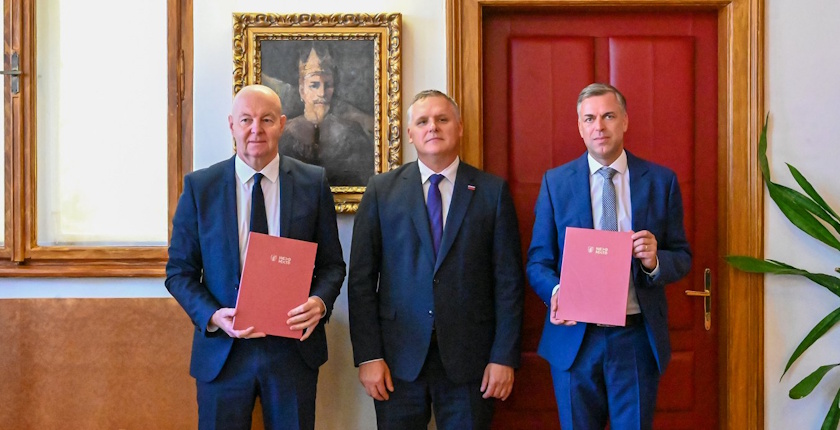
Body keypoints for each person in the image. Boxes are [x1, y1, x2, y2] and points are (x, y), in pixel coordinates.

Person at [166, 84, 346, 430]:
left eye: (266, 120)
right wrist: (213, 316)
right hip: (223, 351)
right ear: (231, 125)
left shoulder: (312, 183)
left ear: (282, 124)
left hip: (293, 351)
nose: (255, 130)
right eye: (246, 120)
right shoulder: (201, 188)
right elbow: (179, 272)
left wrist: (320, 302)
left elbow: (332, 265)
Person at [348, 89, 525, 430]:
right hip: (397, 360)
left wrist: (504, 356)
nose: (433, 127)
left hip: (471, 362)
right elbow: (361, 281)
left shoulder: (492, 192)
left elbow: (509, 283)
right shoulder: (382, 191)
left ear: (459, 128)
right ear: (410, 133)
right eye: (423, 121)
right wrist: (369, 356)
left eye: (442, 119)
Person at [526, 83, 692, 429]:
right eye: (589, 118)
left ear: (625, 121)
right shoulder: (556, 183)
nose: (599, 126)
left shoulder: (661, 181)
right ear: (580, 127)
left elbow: (682, 256)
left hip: (635, 339)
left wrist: (655, 261)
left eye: (608, 116)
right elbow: (538, 261)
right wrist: (557, 292)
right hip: (575, 340)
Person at [278, 44, 374, 187]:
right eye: (314, 85)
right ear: (302, 90)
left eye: (328, 85)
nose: (322, 93)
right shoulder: (284, 134)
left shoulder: (352, 133)